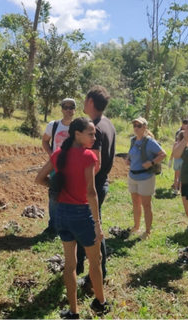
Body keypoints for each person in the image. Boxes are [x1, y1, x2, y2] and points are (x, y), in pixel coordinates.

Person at [36, 117, 111, 319]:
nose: (94, 137)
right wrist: (97, 224)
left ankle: (73, 311)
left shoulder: (59, 153)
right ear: (77, 134)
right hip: (82, 215)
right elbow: (92, 192)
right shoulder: (88, 156)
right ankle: (100, 303)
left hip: (61, 214)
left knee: (70, 264)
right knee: (95, 261)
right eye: (91, 133)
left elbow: (39, 178)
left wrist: (59, 188)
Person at [77, 85, 116, 284]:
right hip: (103, 183)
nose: (83, 103)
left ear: (91, 101)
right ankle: (85, 265)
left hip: (94, 185)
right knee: (92, 226)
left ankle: (98, 274)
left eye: (85, 99)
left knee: (94, 230)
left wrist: (82, 185)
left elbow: (96, 163)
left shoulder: (95, 128)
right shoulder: (108, 124)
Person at [125, 117, 166, 240]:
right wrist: (128, 159)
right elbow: (131, 153)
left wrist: (151, 162)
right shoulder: (133, 140)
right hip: (133, 175)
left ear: (145, 128)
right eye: (135, 125)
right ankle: (136, 227)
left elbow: (163, 154)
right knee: (135, 202)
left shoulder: (149, 142)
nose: (136, 128)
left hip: (145, 176)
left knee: (146, 205)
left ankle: (147, 232)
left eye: (139, 126)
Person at [41, 98, 76, 235]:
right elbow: (45, 141)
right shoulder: (53, 125)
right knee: (54, 195)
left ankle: (68, 224)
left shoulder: (78, 126)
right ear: (61, 109)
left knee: (72, 194)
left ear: (74, 109)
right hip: (57, 167)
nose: (68, 110)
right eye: (65, 107)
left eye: (71, 107)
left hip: (74, 166)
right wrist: (52, 155)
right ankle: (53, 226)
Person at [173, 112, 188, 266]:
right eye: (185, 122)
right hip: (186, 182)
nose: (187, 125)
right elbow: (176, 154)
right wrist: (185, 138)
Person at [168, 130, 184, 195]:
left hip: (176, 160)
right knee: (182, 177)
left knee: (176, 176)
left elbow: (172, 153)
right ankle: (180, 190)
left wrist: (170, 161)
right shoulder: (185, 144)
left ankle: (175, 190)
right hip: (183, 160)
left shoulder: (176, 143)